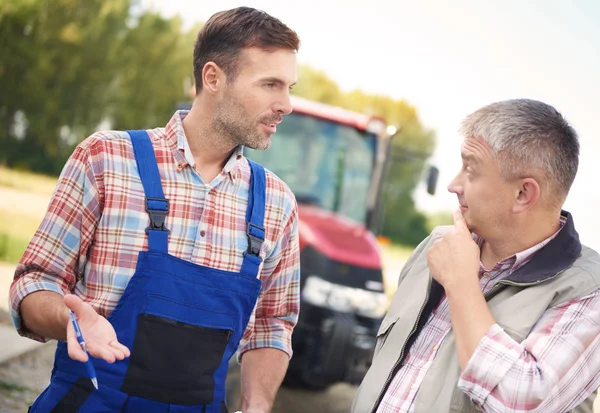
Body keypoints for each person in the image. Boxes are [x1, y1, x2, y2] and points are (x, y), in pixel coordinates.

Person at [9, 7, 301, 413]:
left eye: (289, 87)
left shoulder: (277, 204)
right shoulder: (106, 158)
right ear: (213, 77)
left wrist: (255, 405)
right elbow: (32, 284)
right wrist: (69, 319)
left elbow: (272, 325)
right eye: (271, 84)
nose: (286, 104)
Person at [352, 99, 600, 413]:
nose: (453, 185)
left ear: (523, 194)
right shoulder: (437, 244)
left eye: (470, 170)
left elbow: (519, 402)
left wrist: (462, 285)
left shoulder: (589, 289)